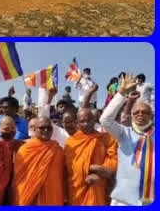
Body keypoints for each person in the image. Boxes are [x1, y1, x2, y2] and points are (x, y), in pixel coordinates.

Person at [100, 72, 155, 205]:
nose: (140, 114)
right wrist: (121, 94)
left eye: (145, 112)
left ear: (151, 116)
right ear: (131, 115)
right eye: (136, 112)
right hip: (124, 201)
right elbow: (105, 120)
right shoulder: (123, 133)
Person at [64, 108, 118, 205]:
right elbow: (70, 166)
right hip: (77, 189)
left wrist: (98, 174)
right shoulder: (71, 141)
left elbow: (113, 158)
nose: (86, 124)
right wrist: (93, 167)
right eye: (82, 121)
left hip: (99, 185)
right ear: (77, 123)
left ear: (94, 120)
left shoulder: (106, 138)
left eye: (89, 120)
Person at [12, 117, 66, 205]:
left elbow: (62, 174)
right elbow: (19, 178)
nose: (46, 130)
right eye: (42, 127)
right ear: (34, 129)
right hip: (31, 196)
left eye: (49, 128)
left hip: (53, 196)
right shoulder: (25, 150)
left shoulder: (58, 150)